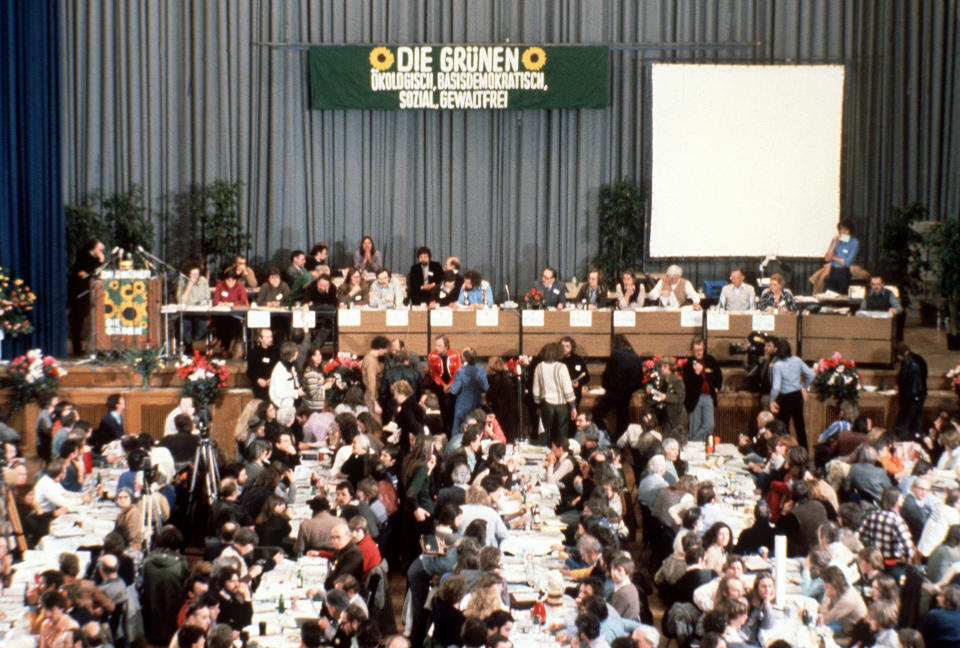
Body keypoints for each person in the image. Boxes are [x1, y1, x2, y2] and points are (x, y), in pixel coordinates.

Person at [592, 334, 644, 440]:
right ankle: (618, 443)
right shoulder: (636, 356)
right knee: (622, 421)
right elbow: (640, 377)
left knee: (596, 414)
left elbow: (608, 375)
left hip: (614, 393)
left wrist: (606, 386)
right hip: (627, 394)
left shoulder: (616, 355)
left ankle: (607, 436)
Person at [769, 338, 814, 448]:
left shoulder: (778, 365)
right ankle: (804, 453)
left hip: (785, 398)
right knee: (800, 427)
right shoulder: (797, 360)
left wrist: (771, 400)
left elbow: (776, 387)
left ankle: (785, 452)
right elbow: (811, 375)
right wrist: (805, 387)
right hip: (797, 396)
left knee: (783, 428)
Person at [532, 342, 577, 442]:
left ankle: (542, 452)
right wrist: (573, 407)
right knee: (562, 433)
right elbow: (567, 389)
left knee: (544, 432)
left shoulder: (539, 367)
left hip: (547, 404)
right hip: (562, 405)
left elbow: (536, 389)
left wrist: (538, 405)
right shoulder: (561, 367)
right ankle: (561, 452)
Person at [68, 238, 106, 355]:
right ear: (93, 248)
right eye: (100, 249)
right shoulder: (84, 257)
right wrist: (101, 259)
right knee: (77, 321)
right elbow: (87, 271)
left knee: (86, 320)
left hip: (89, 293)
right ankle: (77, 349)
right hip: (79, 293)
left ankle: (93, 347)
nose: (101, 252)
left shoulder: (92, 259)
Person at [682, 338, 722, 443]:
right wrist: (697, 374)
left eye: (700, 350)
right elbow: (687, 383)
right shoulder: (688, 365)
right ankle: (693, 450)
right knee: (694, 428)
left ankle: (692, 443)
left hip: (708, 397)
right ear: (692, 351)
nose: (699, 352)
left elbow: (718, 375)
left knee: (709, 425)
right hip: (695, 398)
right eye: (696, 350)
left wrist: (717, 386)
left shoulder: (710, 360)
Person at [449, 348, 488, 439]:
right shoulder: (481, 370)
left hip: (462, 409)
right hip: (476, 407)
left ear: (464, 358)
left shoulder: (461, 372)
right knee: (477, 433)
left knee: (457, 434)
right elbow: (485, 387)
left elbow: (454, 390)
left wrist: (449, 387)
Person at [893, 342, 927, 440]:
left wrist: (899, 387)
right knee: (916, 423)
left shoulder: (908, 362)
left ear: (899, 355)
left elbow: (903, 379)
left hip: (910, 396)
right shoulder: (920, 359)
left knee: (900, 426)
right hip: (921, 394)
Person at [427, 335, 461, 434]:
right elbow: (434, 374)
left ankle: (454, 430)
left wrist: (450, 385)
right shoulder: (431, 356)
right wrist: (443, 385)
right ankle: (445, 430)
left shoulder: (455, 355)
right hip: (440, 385)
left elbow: (457, 372)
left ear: (446, 347)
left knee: (453, 409)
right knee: (443, 409)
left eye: (439, 346)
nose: (436, 348)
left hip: (453, 384)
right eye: (436, 345)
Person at [178, 262, 210, 349]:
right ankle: (189, 346)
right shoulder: (182, 281)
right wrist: (189, 285)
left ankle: (193, 343)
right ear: (188, 274)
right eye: (193, 274)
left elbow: (207, 297)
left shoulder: (202, 281)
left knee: (202, 327)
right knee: (185, 326)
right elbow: (180, 300)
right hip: (187, 312)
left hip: (200, 312)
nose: (196, 276)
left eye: (197, 274)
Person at [823, 219, 859, 294]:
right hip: (833, 271)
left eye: (845, 230)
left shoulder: (854, 242)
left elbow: (846, 262)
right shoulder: (835, 241)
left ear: (850, 231)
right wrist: (834, 243)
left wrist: (833, 258)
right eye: (841, 230)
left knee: (842, 295)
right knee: (829, 293)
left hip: (843, 272)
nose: (843, 232)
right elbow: (827, 258)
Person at [247, 328, 280, 401]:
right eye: (268, 337)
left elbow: (279, 369)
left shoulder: (276, 351)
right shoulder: (253, 352)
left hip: (273, 385)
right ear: (260, 339)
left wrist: (272, 379)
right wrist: (258, 379)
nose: (271, 339)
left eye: (271, 336)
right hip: (259, 387)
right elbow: (250, 371)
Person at [269, 341, 304, 409]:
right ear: (291, 354)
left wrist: (299, 389)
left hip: (292, 403)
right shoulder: (280, 370)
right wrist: (296, 393)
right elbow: (279, 393)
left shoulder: (291, 365)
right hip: (282, 406)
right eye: (295, 351)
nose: (297, 352)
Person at [560, 336, 590, 408]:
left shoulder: (578, 359)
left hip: (575, 393)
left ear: (572, 347)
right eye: (563, 346)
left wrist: (579, 382)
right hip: (561, 395)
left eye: (567, 346)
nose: (564, 348)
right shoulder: (558, 359)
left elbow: (587, 377)